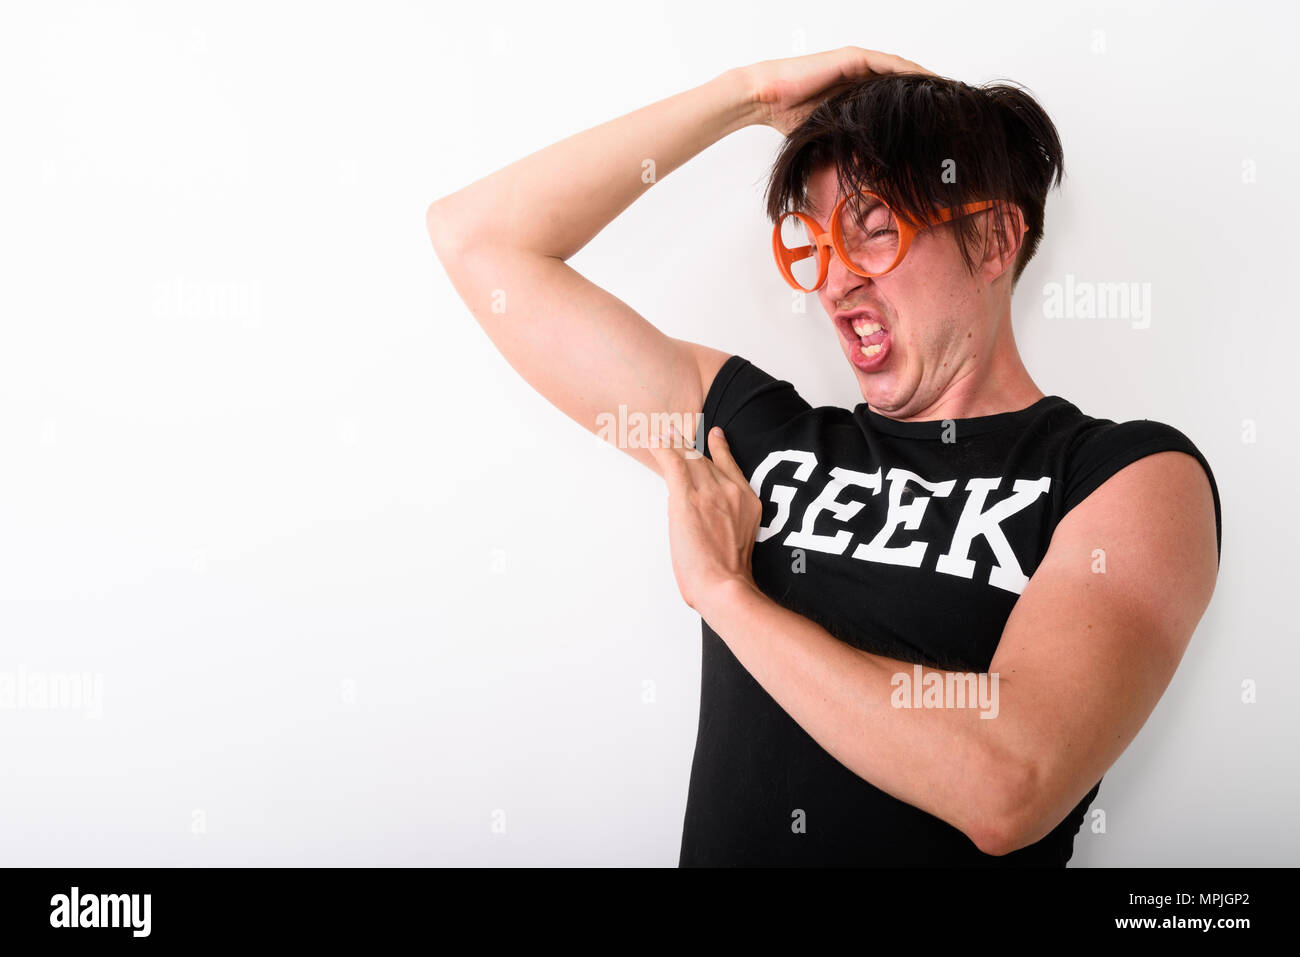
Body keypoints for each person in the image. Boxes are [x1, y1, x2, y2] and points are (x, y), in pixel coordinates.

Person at [425, 47, 1221, 866]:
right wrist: (746, 96)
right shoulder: (760, 434)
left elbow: (1008, 783)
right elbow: (479, 241)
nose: (834, 282)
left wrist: (727, 597)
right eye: (817, 242)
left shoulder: (1129, 476)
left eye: (872, 232)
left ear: (992, 239)